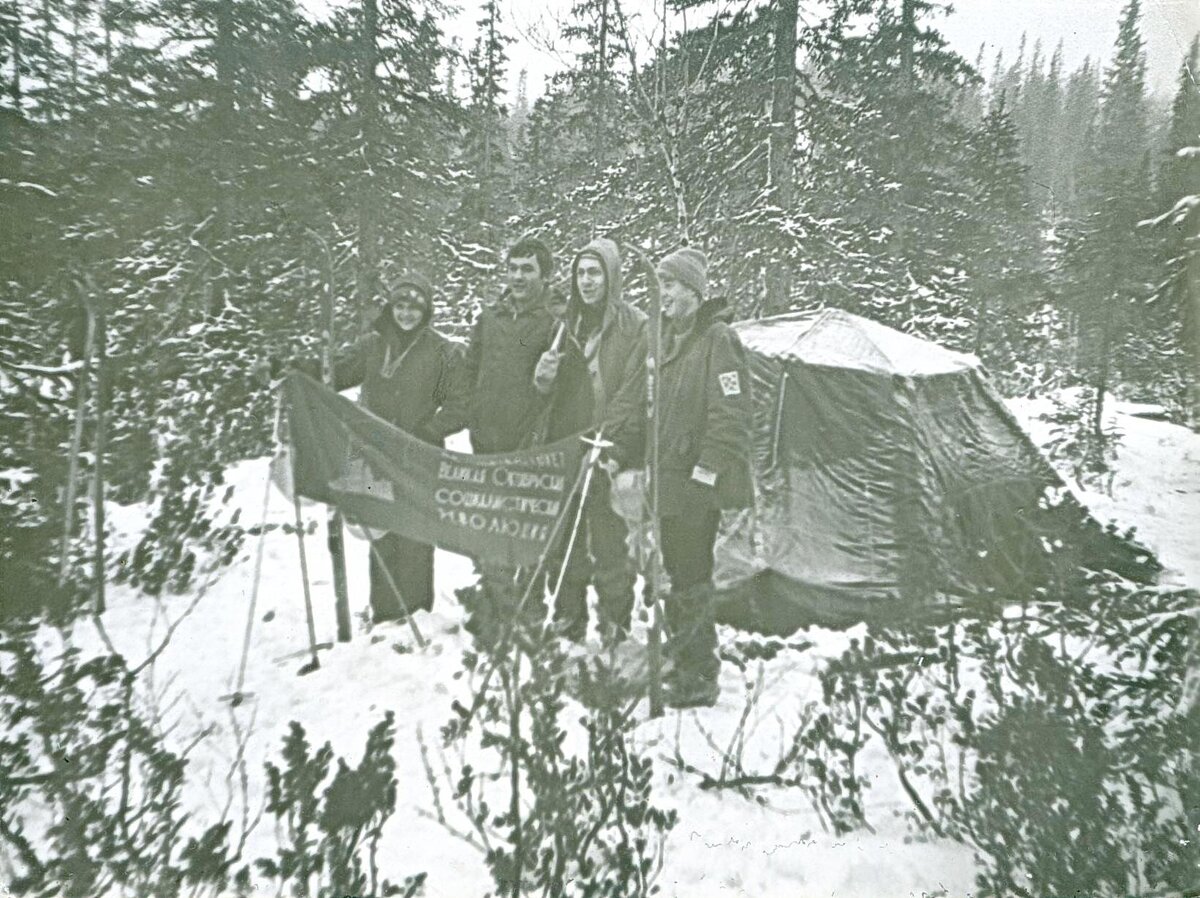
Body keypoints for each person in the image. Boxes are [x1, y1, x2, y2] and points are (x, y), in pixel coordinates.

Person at [311, 272, 465, 623]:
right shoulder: (373, 345)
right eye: (400, 305)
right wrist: (296, 369)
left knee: (415, 535)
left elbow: (459, 404)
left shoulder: (440, 351)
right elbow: (334, 372)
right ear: (391, 307)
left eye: (415, 307)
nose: (406, 313)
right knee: (380, 531)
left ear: (426, 312)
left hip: (419, 459)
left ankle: (416, 615)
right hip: (374, 457)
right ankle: (383, 616)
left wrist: (428, 431)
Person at [651, 247, 753, 708]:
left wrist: (705, 476)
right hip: (670, 484)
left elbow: (730, 416)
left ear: (693, 291)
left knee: (692, 576)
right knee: (677, 572)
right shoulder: (671, 340)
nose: (662, 295)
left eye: (670, 285)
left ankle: (699, 675)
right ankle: (684, 658)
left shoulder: (718, 339)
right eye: (660, 285)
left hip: (696, 486)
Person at [452, 236, 565, 644]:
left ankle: (527, 615)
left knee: (524, 532)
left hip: (529, 446)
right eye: (513, 268)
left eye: (528, 269)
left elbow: (562, 387)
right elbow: (470, 369)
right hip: (486, 442)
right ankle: (493, 610)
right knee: (489, 527)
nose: (518, 276)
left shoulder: (555, 322)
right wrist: (467, 414)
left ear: (544, 275)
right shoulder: (490, 318)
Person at [535, 237, 647, 644]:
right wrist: (543, 378)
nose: (586, 281)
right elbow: (552, 394)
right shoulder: (567, 325)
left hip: (610, 448)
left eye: (595, 272)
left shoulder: (635, 326)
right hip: (568, 444)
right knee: (563, 540)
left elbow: (634, 394)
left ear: (612, 276)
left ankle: (615, 620)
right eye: (581, 273)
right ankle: (568, 615)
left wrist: (610, 445)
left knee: (609, 541)